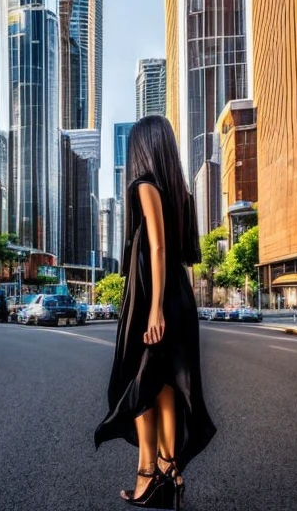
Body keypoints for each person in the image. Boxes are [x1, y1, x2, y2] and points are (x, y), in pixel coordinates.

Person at [94, 116, 216, 508]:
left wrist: (154, 309)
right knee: (162, 383)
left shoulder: (144, 184)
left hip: (155, 295)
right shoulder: (178, 189)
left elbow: (158, 247)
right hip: (175, 292)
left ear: (141, 148)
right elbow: (177, 252)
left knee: (139, 379)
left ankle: (148, 474)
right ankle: (169, 469)